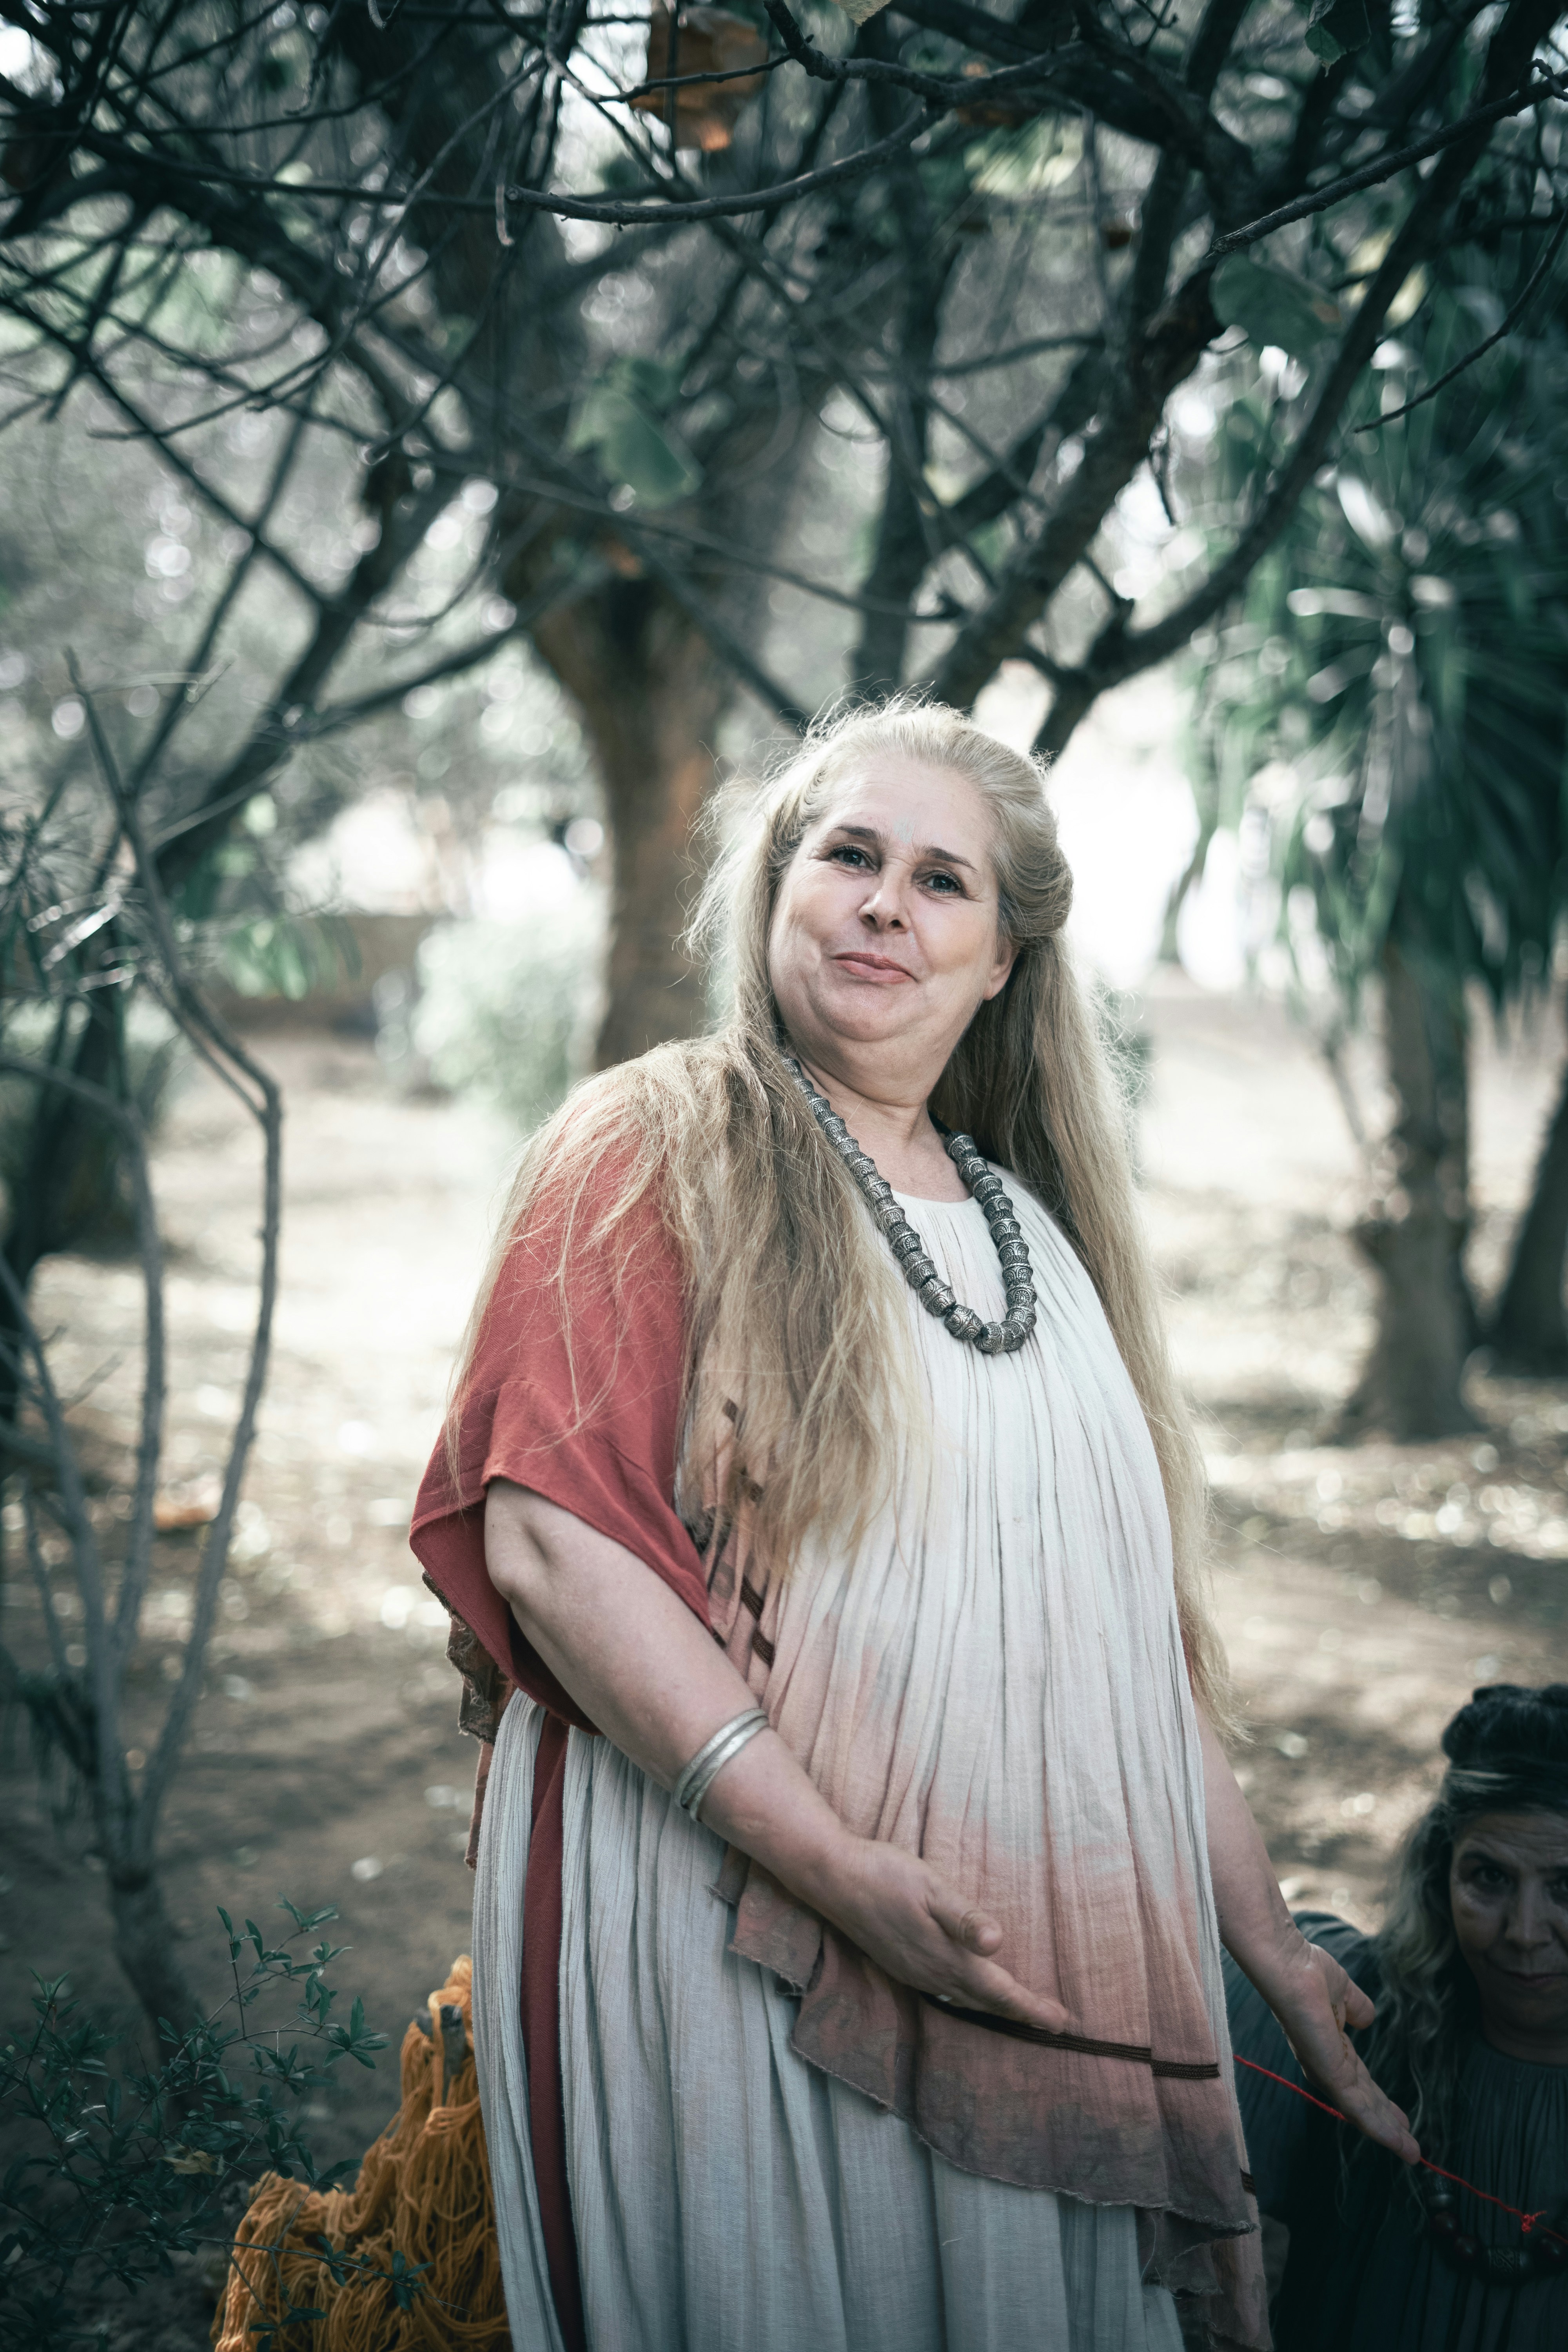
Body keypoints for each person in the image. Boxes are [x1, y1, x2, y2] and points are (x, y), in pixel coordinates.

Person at [410, 701, 1413, 2352]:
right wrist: (840, 1876)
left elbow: (1123, 1647)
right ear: (778, 888)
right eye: (849, 855)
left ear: (1005, 955)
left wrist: (1263, 1946)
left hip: (1018, 1961)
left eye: (942, 881)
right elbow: (548, 1547)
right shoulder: (655, 1147)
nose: (886, 903)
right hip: (722, 1926)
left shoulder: (1039, 1236)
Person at [1227, 1681, 1568, 2350]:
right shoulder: (1353, 2020)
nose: (1526, 1932)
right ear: (1441, 1876)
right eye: (1490, 1878)